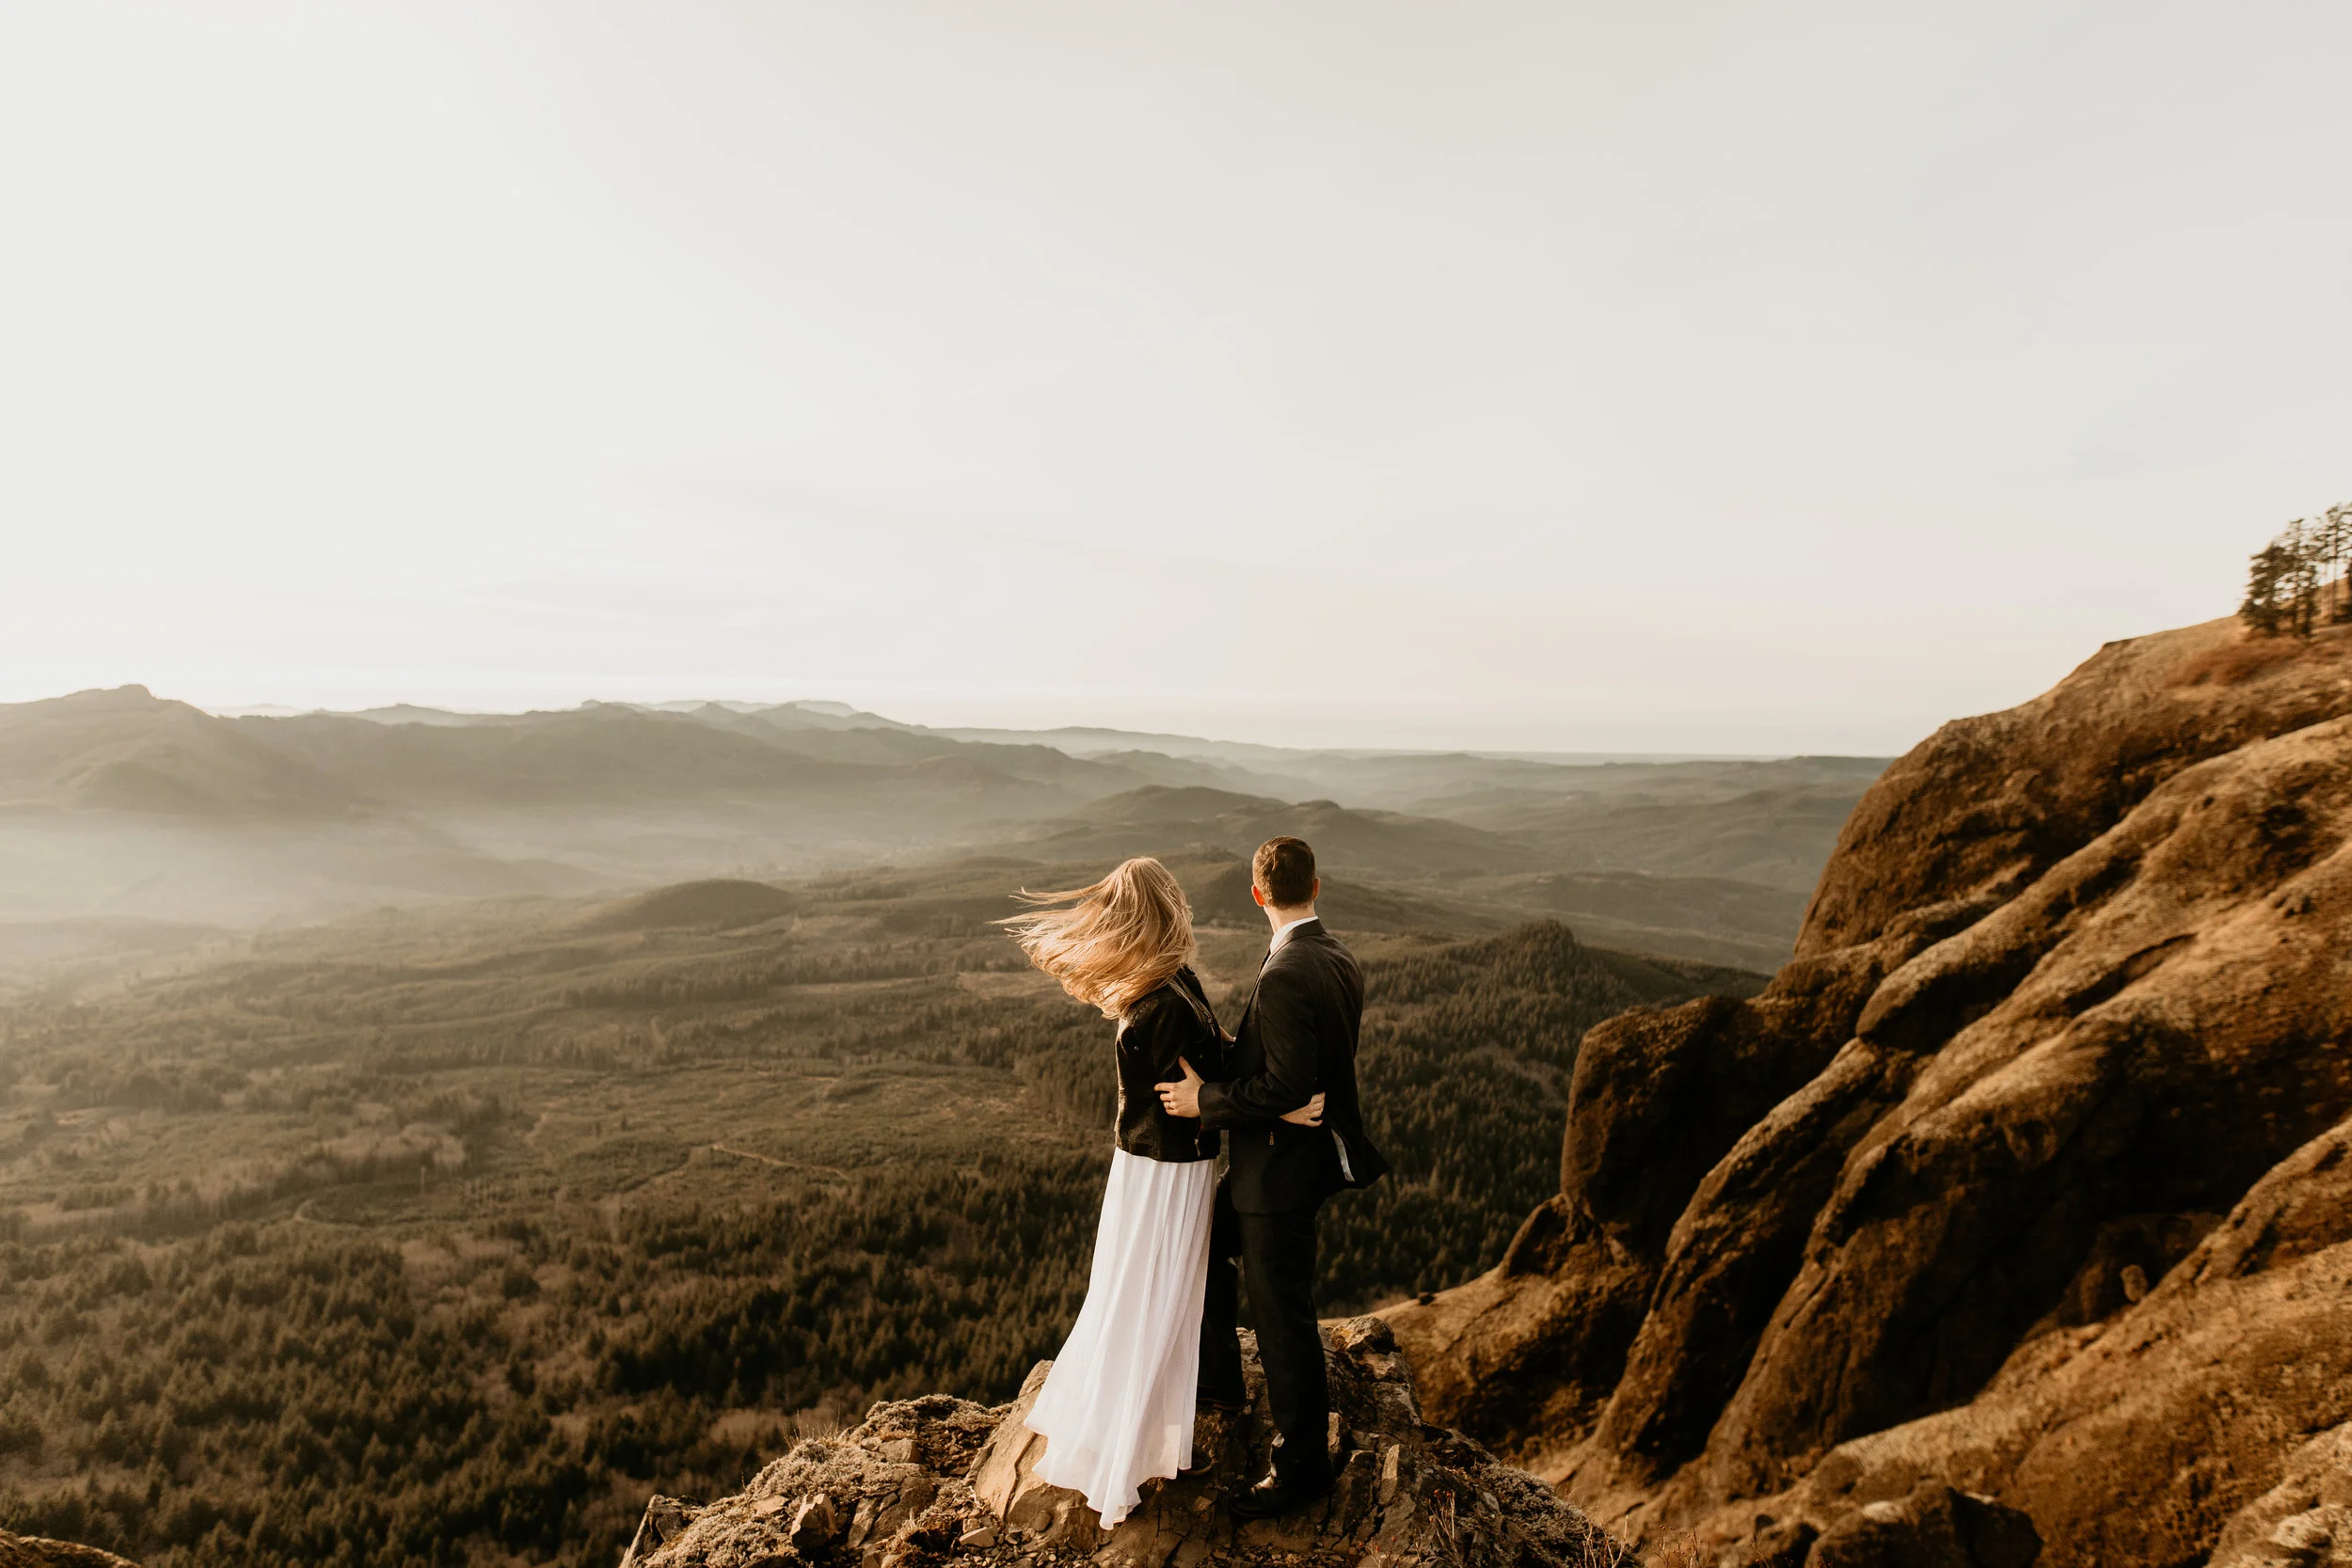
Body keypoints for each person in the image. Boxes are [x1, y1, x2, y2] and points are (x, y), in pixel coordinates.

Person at [999, 856, 1327, 1527]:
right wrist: (1285, 1109)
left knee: (1162, 1282)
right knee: (1161, 1287)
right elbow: (1203, 1088)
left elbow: (1216, 1062)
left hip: (1157, 1165)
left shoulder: (1162, 981)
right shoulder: (1163, 999)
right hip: (1167, 1168)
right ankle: (1140, 1434)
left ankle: (1199, 1391)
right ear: (1165, 909)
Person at [1157, 836, 1390, 1519]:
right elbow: (1291, 1062)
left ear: (1258, 894)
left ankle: (1301, 1467)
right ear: (1317, 883)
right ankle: (1222, 1379)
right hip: (1281, 1165)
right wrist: (1267, 1081)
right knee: (1204, 1246)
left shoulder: (1287, 968)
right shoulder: (1334, 953)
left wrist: (1208, 1101)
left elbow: (1287, 1076)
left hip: (1278, 1177)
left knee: (1284, 1317)